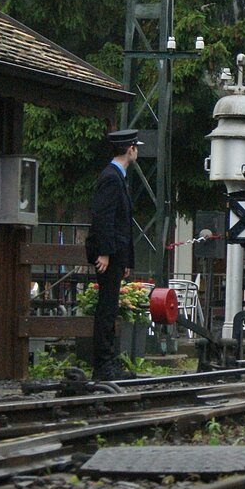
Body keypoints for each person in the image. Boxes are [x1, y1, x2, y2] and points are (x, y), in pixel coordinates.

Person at [89, 127, 142, 381]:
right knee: (106, 309)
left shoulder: (117, 177)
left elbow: (121, 223)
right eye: (136, 147)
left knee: (110, 307)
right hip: (109, 254)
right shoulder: (111, 178)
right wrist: (105, 253)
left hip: (116, 254)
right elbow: (104, 218)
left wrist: (125, 259)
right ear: (130, 149)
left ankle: (108, 362)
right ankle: (102, 365)